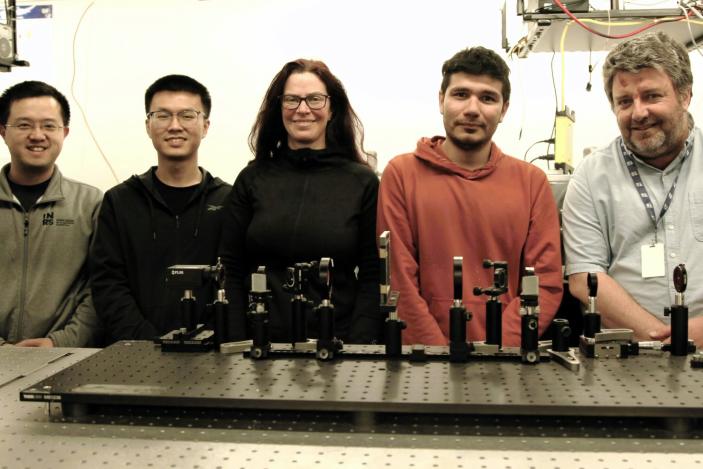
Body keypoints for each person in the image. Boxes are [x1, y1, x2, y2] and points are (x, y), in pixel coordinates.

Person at [377, 47, 563, 346]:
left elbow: (545, 282)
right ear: (442, 100)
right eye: (461, 94)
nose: (472, 109)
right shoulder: (401, 174)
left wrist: (497, 351)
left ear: (503, 110)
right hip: (423, 362)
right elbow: (398, 281)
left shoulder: (531, 183)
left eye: (487, 98)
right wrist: (435, 355)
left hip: (504, 363)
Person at [219, 59, 382, 344]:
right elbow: (229, 268)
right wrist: (235, 341)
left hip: (337, 346)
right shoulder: (252, 179)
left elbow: (372, 275)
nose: (303, 109)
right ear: (279, 108)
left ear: (332, 109)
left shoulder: (363, 183)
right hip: (260, 346)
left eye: (315, 99)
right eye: (292, 99)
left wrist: (359, 347)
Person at [562, 32, 703, 346]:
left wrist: (696, 335)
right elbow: (585, 279)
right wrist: (663, 342)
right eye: (625, 101)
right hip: (626, 357)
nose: (638, 113)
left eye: (652, 96)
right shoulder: (591, 176)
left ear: (685, 95)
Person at [90, 75, 231, 345]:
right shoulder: (119, 201)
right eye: (163, 116)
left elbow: (235, 280)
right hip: (136, 354)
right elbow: (108, 284)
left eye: (187, 115)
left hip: (213, 355)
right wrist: (147, 343)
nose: (175, 126)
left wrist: (209, 338)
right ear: (148, 125)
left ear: (205, 126)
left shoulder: (230, 201)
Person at [0, 80, 102, 347]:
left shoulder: (90, 203)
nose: (37, 135)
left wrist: (60, 342)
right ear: (3, 131)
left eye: (49, 125)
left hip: (63, 358)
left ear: (64, 132)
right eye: (24, 125)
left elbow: (100, 287)